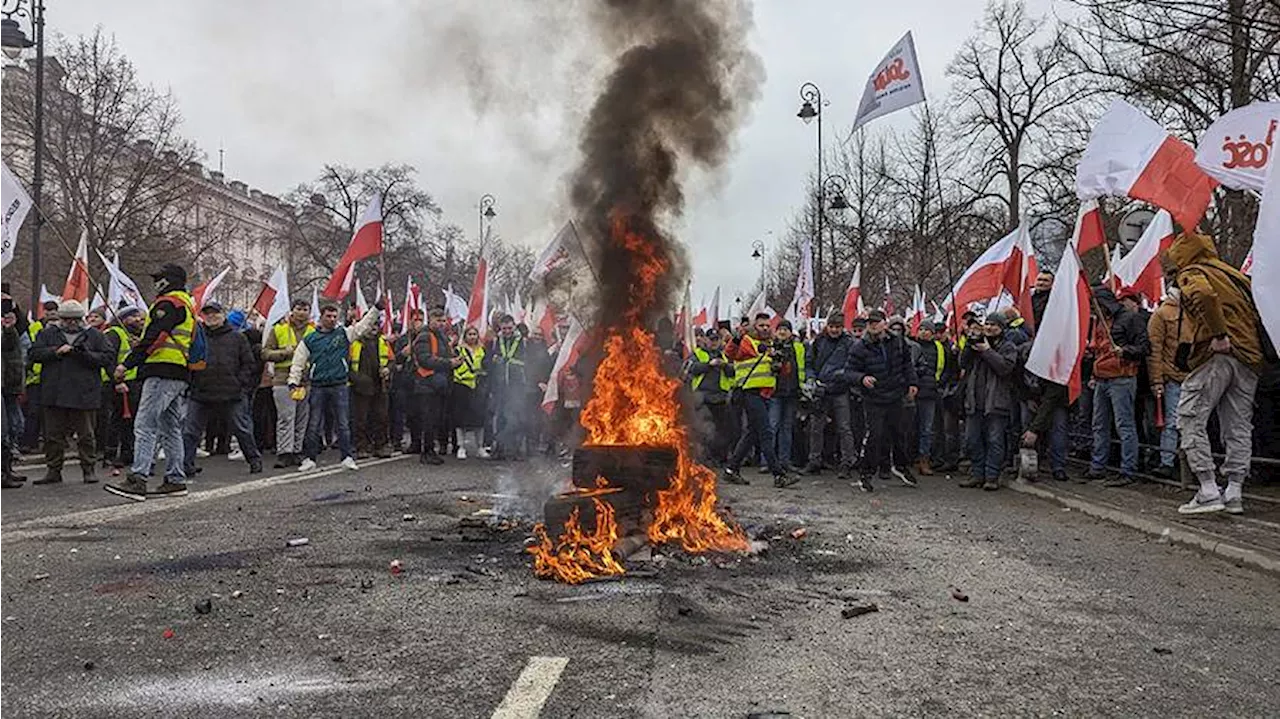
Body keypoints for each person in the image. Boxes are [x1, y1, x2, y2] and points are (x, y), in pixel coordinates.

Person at [1167, 232, 1267, 515]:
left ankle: (1208, 488)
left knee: (1189, 416)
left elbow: (1202, 294)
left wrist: (1218, 333)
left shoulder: (1193, 272)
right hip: (1249, 356)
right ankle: (1234, 490)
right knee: (1237, 425)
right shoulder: (1234, 275)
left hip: (1218, 354)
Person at [104, 265, 198, 501]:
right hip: (178, 372)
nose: (157, 284)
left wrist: (127, 364)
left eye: (160, 280)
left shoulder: (168, 304)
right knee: (170, 428)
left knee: (145, 425)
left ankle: (138, 479)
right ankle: (175, 480)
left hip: (161, 372)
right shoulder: (185, 303)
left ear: (169, 281)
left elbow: (154, 337)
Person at [288, 299, 381, 473]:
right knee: (314, 423)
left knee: (343, 423)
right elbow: (298, 361)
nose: (332, 319)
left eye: (334, 316)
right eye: (328, 316)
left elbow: (364, 325)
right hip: (318, 386)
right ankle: (310, 458)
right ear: (321, 317)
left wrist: (376, 309)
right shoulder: (310, 340)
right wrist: (293, 381)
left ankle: (346, 457)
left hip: (339, 385)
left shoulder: (343, 334)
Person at [30, 300, 113, 485]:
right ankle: (53, 470)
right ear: (61, 319)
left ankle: (88, 469)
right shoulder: (47, 334)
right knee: (53, 435)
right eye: (67, 319)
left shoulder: (95, 336)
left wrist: (84, 354)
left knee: (86, 435)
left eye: (75, 319)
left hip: (84, 393)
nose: (71, 323)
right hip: (54, 392)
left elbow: (107, 357)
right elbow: (34, 353)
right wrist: (55, 352)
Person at [183, 302, 263, 476]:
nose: (211, 316)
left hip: (231, 392)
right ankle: (186, 464)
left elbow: (249, 364)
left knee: (242, 429)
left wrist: (240, 383)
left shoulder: (238, 338)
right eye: (207, 314)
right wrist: (192, 383)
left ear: (223, 315)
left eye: (215, 313)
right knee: (190, 431)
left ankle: (254, 460)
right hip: (201, 391)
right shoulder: (196, 337)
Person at [1084, 286, 1150, 486]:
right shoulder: (1102, 321)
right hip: (1103, 376)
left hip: (1122, 377)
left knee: (1124, 424)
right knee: (1099, 424)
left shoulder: (1130, 319)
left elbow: (1145, 347)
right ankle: (1098, 466)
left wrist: (1125, 351)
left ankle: (1128, 469)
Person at [847, 309, 919, 492]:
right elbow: (849, 371)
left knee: (899, 433)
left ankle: (900, 466)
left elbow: (906, 364)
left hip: (895, 394)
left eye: (877, 321)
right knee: (874, 435)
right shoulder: (859, 347)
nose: (873, 325)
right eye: (870, 322)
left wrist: (912, 382)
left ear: (884, 323)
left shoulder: (897, 341)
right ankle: (866, 473)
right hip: (874, 397)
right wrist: (862, 378)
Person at [723, 313, 793, 487]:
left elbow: (784, 372)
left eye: (767, 325)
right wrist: (737, 338)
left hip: (764, 394)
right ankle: (778, 474)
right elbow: (730, 353)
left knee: (752, 433)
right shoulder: (748, 342)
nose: (765, 328)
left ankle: (731, 469)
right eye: (761, 325)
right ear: (755, 327)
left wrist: (781, 363)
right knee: (766, 432)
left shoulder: (772, 345)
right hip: (748, 392)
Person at [958, 312, 1019, 490]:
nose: (990, 328)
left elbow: (1004, 368)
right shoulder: (976, 344)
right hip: (974, 402)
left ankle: (991, 476)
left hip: (996, 402)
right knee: (972, 439)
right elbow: (963, 363)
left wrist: (987, 351)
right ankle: (977, 473)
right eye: (988, 324)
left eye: (995, 325)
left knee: (995, 440)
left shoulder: (1007, 347)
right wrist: (969, 345)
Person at [803, 313, 858, 478]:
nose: (834, 330)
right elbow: (809, 363)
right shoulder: (819, 342)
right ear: (827, 326)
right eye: (832, 326)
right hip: (821, 390)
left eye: (838, 327)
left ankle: (847, 462)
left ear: (842, 327)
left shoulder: (849, 344)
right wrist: (812, 379)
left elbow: (851, 366)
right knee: (815, 427)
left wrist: (838, 378)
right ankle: (814, 461)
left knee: (844, 428)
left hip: (840, 390)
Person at [262, 299, 314, 468]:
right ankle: (285, 452)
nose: (302, 312)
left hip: (304, 380)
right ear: (292, 310)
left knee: (301, 417)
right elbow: (265, 352)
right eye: (299, 309)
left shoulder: (313, 331)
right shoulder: (279, 329)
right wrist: (284, 353)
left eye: (305, 309)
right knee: (286, 417)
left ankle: (297, 451)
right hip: (283, 379)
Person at [1146, 281, 1189, 479]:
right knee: (1172, 422)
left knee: (1193, 422)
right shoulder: (1162, 314)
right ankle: (1167, 461)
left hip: (1196, 375)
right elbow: (1154, 350)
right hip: (1173, 376)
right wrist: (1157, 380)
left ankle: (1189, 463)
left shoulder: (1197, 311)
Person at [412, 308, 461, 465]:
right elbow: (424, 360)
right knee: (429, 419)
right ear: (430, 320)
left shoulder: (442, 337)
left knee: (436, 419)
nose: (441, 324)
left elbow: (445, 357)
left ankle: (430, 450)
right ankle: (426, 451)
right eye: (438, 320)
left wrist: (456, 361)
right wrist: (448, 363)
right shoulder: (424, 336)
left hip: (439, 384)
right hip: (426, 384)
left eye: (443, 321)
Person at [100, 306, 144, 475]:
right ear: (124, 319)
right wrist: (116, 380)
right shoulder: (114, 334)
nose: (138, 320)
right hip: (118, 384)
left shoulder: (132, 336)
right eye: (134, 317)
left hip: (132, 382)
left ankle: (127, 453)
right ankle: (110, 454)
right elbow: (109, 359)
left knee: (130, 421)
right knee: (117, 420)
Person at [913, 321, 957, 477]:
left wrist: (939, 383)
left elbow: (948, 369)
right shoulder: (911, 346)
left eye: (927, 330)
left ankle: (924, 458)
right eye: (922, 329)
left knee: (927, 428)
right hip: (912, 392)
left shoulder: (940, 349)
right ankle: (909, 458)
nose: (924, 332)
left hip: (931, 392)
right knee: (909, 427)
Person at [687, 327, 736, 465]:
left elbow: (733, 371)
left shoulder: (725, 355)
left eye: (716, 339)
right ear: (705, 340)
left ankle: (719, 458)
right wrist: (709, 365)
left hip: (721, 398)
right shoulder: (698, 354)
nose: (714, 342)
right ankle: (704, 459)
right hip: (703, 398)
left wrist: (724, 366)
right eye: (711, 339)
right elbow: (691, 368)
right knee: (704, 431)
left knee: (723, 431)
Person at [487, 315, 530, 460]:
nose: (506, 331)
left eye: (509, 328)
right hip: (500, 386)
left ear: (514, 326)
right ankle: (499, 449)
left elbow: (529, 362)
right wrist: (494, 361)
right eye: (504, 328)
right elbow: (487, 362)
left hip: (517, 385)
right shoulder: (494, 341)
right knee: (500, 418)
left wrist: (510, 363)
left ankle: (516, 450)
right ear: (500, 327)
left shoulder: (523, 342)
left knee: (517, 418)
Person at [349, 319, 393, 459]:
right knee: (361, 418)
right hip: (360, 386)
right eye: (370, 324)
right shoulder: (354, 343)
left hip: (380, 385)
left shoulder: (383, 341)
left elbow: (392, 360)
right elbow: (347, 364)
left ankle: (380, 445)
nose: (373, 328)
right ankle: (361, 446)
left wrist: (387, 369)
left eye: (375, 325)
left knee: (381, 416)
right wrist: (358, 379)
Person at [20, 299, 58, 453]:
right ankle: (30, 442)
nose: (50, 315)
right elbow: (30, 349)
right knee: (33, 411)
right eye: (48, 312)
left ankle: (50, 442)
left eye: (53, 312)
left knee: (49, 412)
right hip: (35, 376)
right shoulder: (34, 327)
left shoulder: (60, 328)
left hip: (53, 377)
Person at [769, 320, 805, 472]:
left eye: (785, 329)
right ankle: (768, 462)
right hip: (774, 392)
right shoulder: (770, 347)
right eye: (780, 329)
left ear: (791, 332)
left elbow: (802, 367)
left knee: (786, 428)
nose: (782, 332)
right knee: (772, 427)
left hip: (791, 392)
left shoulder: (798, 347)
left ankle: (785, 461)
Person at [452, 325, 488, 459]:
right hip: (462, 385)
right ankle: (461, 447)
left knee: (479, 418)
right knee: (461, 419)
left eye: (474, 334)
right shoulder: (458, 350)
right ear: (465, 336)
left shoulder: (482, 350)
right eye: (470, 334)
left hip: (477, 386)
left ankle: (480, 447)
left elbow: (486, 366)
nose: (472, 337)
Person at [391, 311, 424, 452]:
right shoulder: (404, 339)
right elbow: (396, 359)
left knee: (421, 413)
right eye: (415, 320)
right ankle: (406, 441)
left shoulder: (427, 338)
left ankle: (423, 442)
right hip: (405, 380)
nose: (418, 323)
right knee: (406, 413)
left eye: (421, 320)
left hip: (422, 380)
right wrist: (403, 354)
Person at [0, 298, 25, 488]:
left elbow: (12, 342)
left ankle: (6, 470)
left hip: (9, 384)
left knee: (8, 429)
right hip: (5, 383)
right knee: (3, 431)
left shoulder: (10, 330)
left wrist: (13, 309)